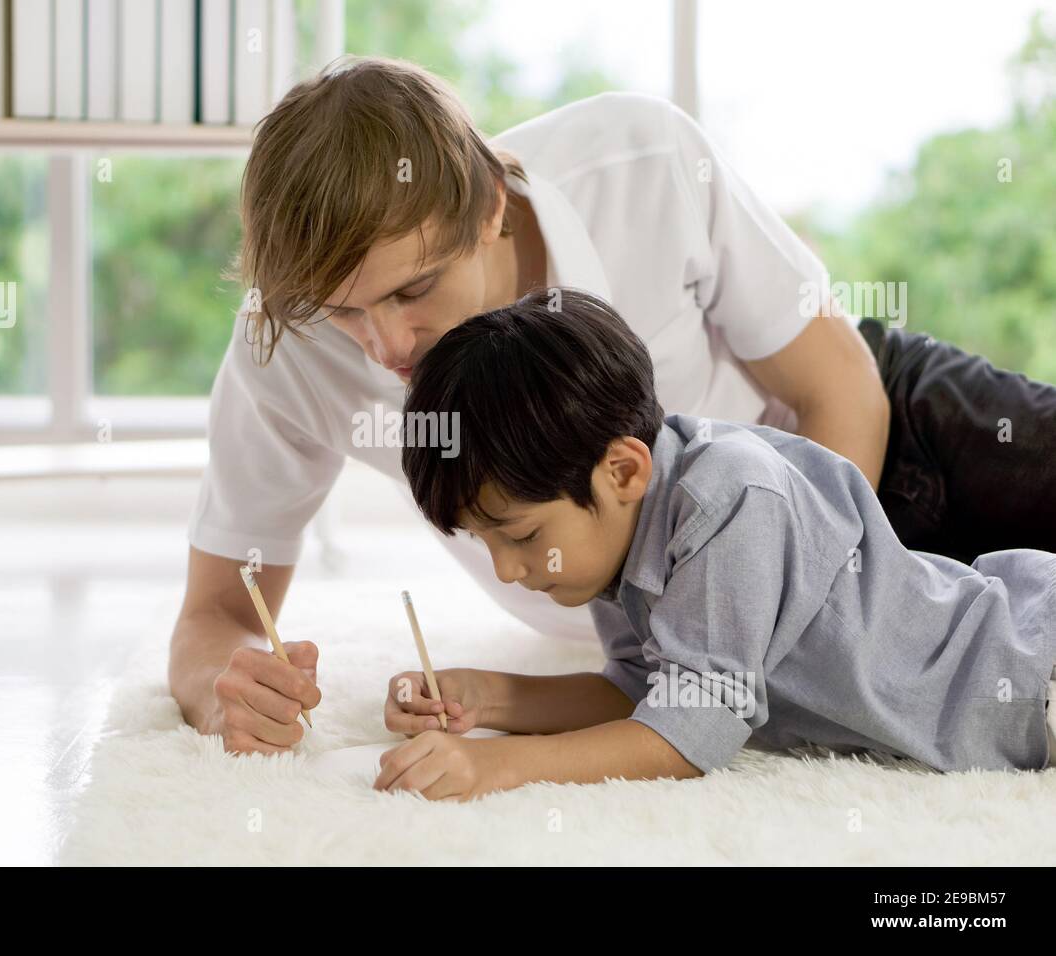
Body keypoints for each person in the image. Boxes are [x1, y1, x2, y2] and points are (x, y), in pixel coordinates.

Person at [173, 55, 1056, 755]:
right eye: (343, 312)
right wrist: (228, 690)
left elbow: (837, 384)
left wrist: (822, 610)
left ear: (489, 204)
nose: (388, 348)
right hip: (696, 622)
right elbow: (214, 612)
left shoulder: (639, 159)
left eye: (414, 291)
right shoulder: (281, 351)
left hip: (876, 441)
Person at [376, 288, 1056, 801]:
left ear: (623, 470)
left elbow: (692, 730)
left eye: (521, 534)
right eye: (483, 539)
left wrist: (495, 766)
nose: (505, 569)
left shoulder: (727, 497)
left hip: (1029, 671)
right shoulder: (619, 533)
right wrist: (488, 697)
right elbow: (650, 693)